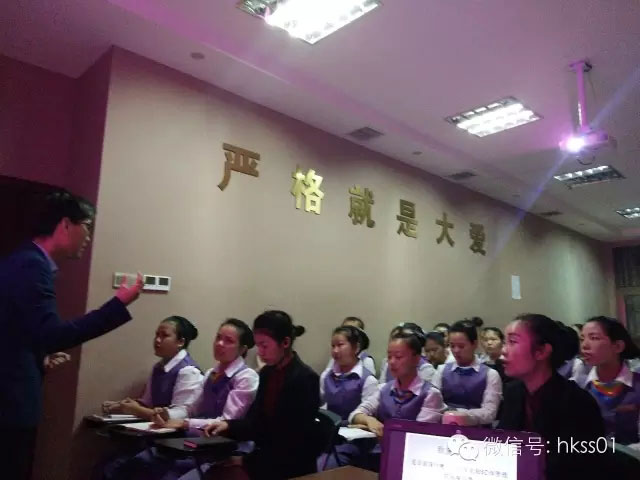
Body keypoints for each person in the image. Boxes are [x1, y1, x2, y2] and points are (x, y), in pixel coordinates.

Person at [0, 189, 143, 480]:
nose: (89, 237)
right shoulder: (31, 265)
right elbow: (55, 335)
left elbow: (18, 334)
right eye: (87, 226)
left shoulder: (26, 261)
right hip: (9, 406)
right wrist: (118, 304)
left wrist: (39, 356)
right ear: (65, 224)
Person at [109, 319, 260, 480]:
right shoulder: (212, 373)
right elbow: (192, 408)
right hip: (198, 443)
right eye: (218, 338)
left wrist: (185, 423)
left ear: (242, 349)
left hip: (225, 450)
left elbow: (226, 422)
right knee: (138, 463)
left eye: (228, 341)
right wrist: (167, 415)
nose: (219, 344)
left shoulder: (246, 377)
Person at [204, 310, 322, 480]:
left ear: (285, 342)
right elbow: (257, 422)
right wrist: (228, 426)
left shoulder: (305, 379)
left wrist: (246, 461)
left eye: (264, 346)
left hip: (289, 465)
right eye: (258, 346)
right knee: (214, 472)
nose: (260, 352)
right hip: (266, 458)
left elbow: (291, 439)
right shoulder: (267, 373)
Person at [498, 313, 607, 480]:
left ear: (542, 351)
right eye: (505, 342)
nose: (503, 351)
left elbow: (583, 466)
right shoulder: (514, 392)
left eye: (512, 342)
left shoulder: (577, 403)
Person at [330, 327, 444, 472]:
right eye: (389, 357)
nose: (392, 362)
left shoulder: (430, 394)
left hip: (410, 461)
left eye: (398, 357)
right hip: (378, 454)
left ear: (416, 359)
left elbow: (416, 437)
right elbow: (355, 414)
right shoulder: (384, 388)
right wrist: (369, 420)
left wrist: (383, 431)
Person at [102, 316, 202, 422]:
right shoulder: (158, 368)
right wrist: (121, 405)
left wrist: (136, 410)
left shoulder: (189, 371)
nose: (157, 340)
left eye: (164, 335)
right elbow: (148, 402)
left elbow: (180, 415)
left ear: (180, 342)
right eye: (157, 335)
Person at [573, 316, 640, 445]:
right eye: (582, 339)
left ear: (618, 346)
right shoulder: (577, 387)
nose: (584, 345)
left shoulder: (637, 385)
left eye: (594, 338)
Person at [432, 320, 502, 426]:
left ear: (474, 344)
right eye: (452, 346)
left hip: (478, 431)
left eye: (461, 346)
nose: (456, 350)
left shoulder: (491, 374)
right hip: (444, 428)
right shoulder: (441, 370)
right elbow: (432, 404)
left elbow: (489, 413)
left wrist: (458, 415)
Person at [320, 325, 378, 422]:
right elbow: (319, 405)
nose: (335, 351)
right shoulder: (326, 376)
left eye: (340, 345)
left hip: (355, 429)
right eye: (333, 346)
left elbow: (368, 415)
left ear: (356, 348)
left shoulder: (367, 380)